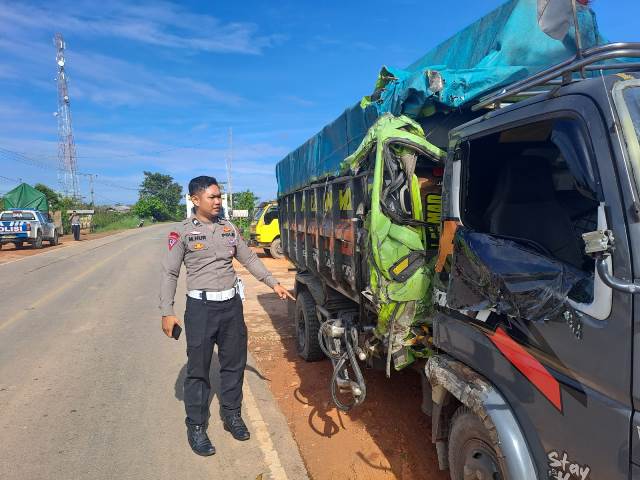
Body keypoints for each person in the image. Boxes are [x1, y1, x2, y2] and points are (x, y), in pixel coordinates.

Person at [159, 175, 294, 457]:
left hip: (231, 307)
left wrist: (273, 283)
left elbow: (250, 258)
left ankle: (232, 415)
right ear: (195, 200)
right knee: (198, 370)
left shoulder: (229, 228)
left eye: (220, 196)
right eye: (213, 197)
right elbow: (170, 273)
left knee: (234, 364)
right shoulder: (181, 232)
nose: (219, 201)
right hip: (200, 309)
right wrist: (167, 311)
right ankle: (196, 426)